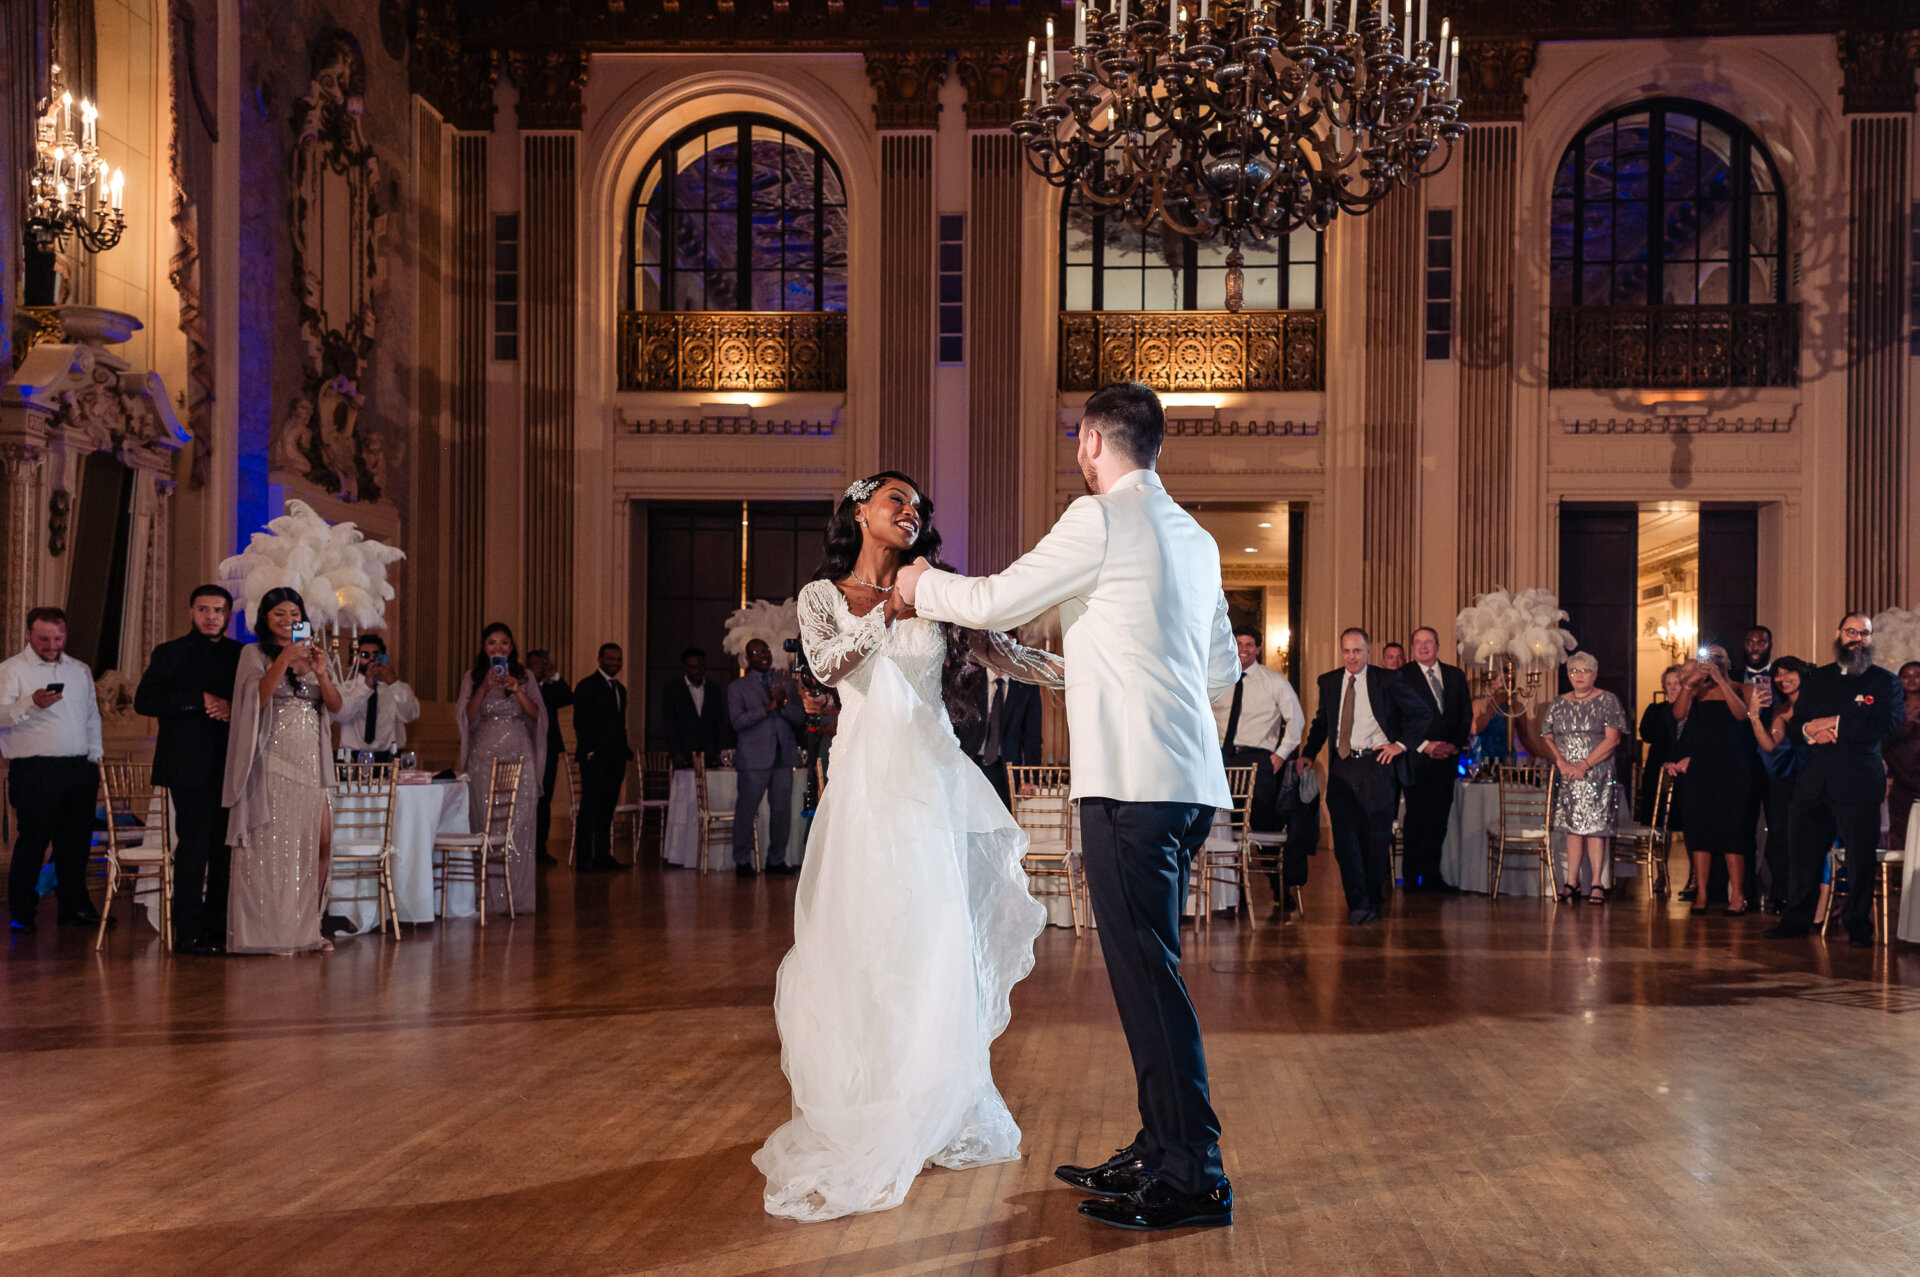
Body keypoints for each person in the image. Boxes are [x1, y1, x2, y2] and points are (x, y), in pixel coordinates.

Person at [899, 381, 1241, 1233]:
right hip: (1188, 783)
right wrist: (1095, 668)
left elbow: (992, 600)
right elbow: (1220, 672)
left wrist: (919, 583)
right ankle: (1165, 1145)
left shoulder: (1098, 517)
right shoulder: (1196, 538)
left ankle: (1192, 1172)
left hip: (1128, 783)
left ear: (1092, 442)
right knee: (1148, 974)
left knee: (1148, 979)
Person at [753, 470, 1062, 1222]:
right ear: (860, 509)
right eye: (897, 500)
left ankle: (935, 1101)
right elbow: (826, 669)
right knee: (864, 945)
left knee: (932, 944)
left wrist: (1083, 672)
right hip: (863, 792)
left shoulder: (936, 588)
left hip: (931, 786)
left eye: (918, 506)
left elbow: (1003, 654)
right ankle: (871, 1102)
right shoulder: (822, 597)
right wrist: (887, 608)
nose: (911, 511)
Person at [1767, 615, 1905, 946]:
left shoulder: (1885, 682)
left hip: (1858, 783)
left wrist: (1837, 724)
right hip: (1814, 781)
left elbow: (1888, 727)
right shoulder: (1816, 678)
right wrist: (1808, 730)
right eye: (1851, 632)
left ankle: (1857, 924)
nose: (1857, 638)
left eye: (1864, 634)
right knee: (1802, 855)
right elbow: (1799, 720)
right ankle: (1797, 919)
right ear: (1837, 635)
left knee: (1859, 857)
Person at [222, 588, 341, 954]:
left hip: (312, 762)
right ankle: (273, 932)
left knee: (317, 844)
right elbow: (253, 700)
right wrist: (283, 660)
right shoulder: (252, 653)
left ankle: (309, 925)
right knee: (274, 847)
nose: (288, 620)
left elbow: (336, 707)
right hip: (272, 760)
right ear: (266, 619)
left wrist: (320, 673)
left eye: (294, 613)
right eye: (279, 614)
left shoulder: (316, 655)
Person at [134, 585, 243, 953]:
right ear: (191, 612)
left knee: (224, 851)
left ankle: (219, 929)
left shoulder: (242, 654)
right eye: (203, 609)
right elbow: (145, 701)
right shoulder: (171, 652)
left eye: (218, 610)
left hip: (231, 764)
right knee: (193, 848)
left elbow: (256, 702)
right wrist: (200, 701)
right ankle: (189, 932)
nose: (211, 616)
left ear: (229, 615)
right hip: (187, 765)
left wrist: (231, 707)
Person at [1299, 628, 1431, 926]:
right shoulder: (1330, 681)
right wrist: (1308, 753)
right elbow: (1322, 723)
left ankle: (1373, 898)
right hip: (1343, 768)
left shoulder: (1387, 680)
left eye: (1357, 651)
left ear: (1368, 652)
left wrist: (1400, 745)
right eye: (1346, 651)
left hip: (1377, 767)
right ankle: (1358, 903)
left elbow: (1421, 714)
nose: (1351, 657)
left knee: (1374, 840)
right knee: (1345, 842)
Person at [2, 607, 106, 934]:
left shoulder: (80, 670)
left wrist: (95, 760)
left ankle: (74, 907)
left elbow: (92, 717)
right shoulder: (11, 670)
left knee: (76, 843)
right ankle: (21, 912)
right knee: (33, 843)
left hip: (78, 768)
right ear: (29, 635)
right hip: (34, 769)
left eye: (58, 638)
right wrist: (30, 703)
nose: (52, 644)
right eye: (44, 638)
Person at [458, 624, 546, 908]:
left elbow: (538, 717)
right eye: (492, 643)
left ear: (512, 647)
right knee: (486, 824)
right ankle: (486, 900)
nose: (498, 648)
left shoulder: (525, 675)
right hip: (484, 759)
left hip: (520, 758)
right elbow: (466, 719)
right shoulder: (472, 677)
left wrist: (517, 690)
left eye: (504, 643)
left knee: (519, 827)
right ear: (484, 647)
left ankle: (516, 899)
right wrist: (484, 687)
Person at [1213, 628, 1304, 906]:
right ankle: (1229, 897)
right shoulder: (1216, 679)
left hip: (1259, 763)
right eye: (1239, 643)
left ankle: (1279, 889)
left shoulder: (1274, 681)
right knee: (1220, 829)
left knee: (1261, 828)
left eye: (1250, 644)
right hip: (1220, 761)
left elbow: (1296, 721)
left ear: (1259, 648)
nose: (1244, 649)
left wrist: (1279, 755)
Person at [1667, 644, 1757, 916]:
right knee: (1700, 831)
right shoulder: (1696, 691)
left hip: (1733, 769)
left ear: (1729, 660)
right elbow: (1678, 714)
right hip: (1701, 768)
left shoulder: (1744, 688)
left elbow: (1741, 714)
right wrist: (1689, 684)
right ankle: (1702, 894)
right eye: (1709, 658)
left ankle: (1737, 896)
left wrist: (1720, 680)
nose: (1714, 661)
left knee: (1733, 832)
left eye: (1719, 657)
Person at [1540, 652, 1628, 903]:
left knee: (1595, 828)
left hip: (1596, 774)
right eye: (1574, 671)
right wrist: (1561, 762)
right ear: (1568, 675)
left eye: (1585, 670)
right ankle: (1571, 882)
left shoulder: (1608, 700)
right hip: (1567, 774)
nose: (1579, 676)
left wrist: (1584, 765)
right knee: (1572, 828)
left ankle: (1597, 883)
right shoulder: (1558, 702)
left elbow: (1613, 739)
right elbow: (1546, 735)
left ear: (1595, 673)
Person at [1399, 626, 1473, 893]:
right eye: (1417, 642)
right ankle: (1410, 877)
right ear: (1412, 647)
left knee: (1439, 819)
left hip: (1447, 761)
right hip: (1417, 760)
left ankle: (1431, 876)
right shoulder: (1402, 676)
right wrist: (1425, 746)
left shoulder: (1454, 675)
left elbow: (1465, 714)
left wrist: (1453, 746)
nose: (1423, 647)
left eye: (1428, 642)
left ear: (1438, 645)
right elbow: (1397, 719)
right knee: (1417, 819)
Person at [726, 638, 806, 876]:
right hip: (754, 759)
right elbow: (737, 722)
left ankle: (776, 860)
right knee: (746, 810)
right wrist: (768, 708)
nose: (763, 655)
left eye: (766, 651)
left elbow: (799, 718)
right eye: (757, 652)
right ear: (748, 659)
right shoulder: (737, 687)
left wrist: (782, 705)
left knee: (782, 811)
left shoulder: (786, 683)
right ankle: (742, 861)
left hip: (784, 756)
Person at [1747, 655, 1808, 913]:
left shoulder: (1818, 703)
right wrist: (1754, 716)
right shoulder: (1781, 710)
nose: (1783, 679)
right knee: (1781, 835)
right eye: (1779, 676)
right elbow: (1770, 744)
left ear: (1801, 673)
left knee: (1810, 837)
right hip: (1786, 778)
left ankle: (1812, 895)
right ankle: (1783, 894)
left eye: (1789, 673)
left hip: (1816, 774)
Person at [571, 643, 631, 872]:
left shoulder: (620, 689)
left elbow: (618, 724)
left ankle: (604, 856)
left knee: (607, 809)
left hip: (615, 759)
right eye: (610, 659)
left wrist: (624, 751)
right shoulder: (587, 686)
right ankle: (584, 859)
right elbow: (581, 723)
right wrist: (590, 752)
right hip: (595, 759)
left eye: (618, 659)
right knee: (589, 808)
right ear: (600, 659)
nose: (615, 663)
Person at [959, 654, 1046, 808]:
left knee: (1002, 827)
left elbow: (1032, 736)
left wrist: (1029, 778)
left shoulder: (1026, 687)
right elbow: (956, 724)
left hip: (1005, 769)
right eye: (996, 647)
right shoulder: (968, 679)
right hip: (969, 762)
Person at [334, 633, 419, 762]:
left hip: (389, 758)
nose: (372, 659)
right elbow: (341, 715)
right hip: (353, 758)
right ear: (355, 658)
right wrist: (366, 687)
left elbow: (410, 715)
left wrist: (394, 683)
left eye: (376, 654)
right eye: (365, 655)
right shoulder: (346, 688)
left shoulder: (398, 688)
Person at [527, 649, 571, 865]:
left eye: (545, 664)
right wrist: (532, 676)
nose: (542, 667)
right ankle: (525, 847)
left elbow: (568, 697)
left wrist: (554, 675)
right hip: (528, 749)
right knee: (528, 801)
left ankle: (541, 847)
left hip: (550, 750)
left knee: (545, 801)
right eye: (538, 663)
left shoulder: (551, 689)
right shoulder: (522, 686)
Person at [661, 646, 731, 769]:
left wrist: (720, 751)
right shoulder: (673, 690)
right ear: (685, 668)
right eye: (692, 667)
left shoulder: (713, 689)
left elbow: (719, 722)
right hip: (684, 753)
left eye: (700, 666)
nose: (697, 671)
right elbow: (670, 723)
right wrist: (676, 752)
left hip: (709, 753)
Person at [1636, 665, 1686, 825]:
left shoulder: (1694, 710)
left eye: (1676, 683)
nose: (1672, 688)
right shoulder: (1655, 710)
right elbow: (1647, 735)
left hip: (1684, 768)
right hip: (1658, 767)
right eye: (1668, 684)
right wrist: (1669, 710)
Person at [1883, 662, 1920, 849]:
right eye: (1906, 676)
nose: (1912, 680)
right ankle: (1900, 877)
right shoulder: (1893, 707)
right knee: (1901, 828)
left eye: (1917, 675)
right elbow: (1885, 740)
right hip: (1900, 775)